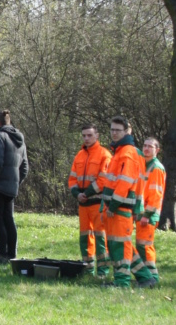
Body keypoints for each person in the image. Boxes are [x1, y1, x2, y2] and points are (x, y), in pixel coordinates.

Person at [98, 116, 152, 288]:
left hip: (120, 208)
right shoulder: (120, 151)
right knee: (123, 244)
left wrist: (113, 205)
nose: (114, 133)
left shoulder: (127, 153)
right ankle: (146, 277)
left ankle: (122, 282)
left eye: (118, 130)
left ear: (127, 131)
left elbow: (125, 183)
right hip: (116, 207)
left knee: (119, 246)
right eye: (112, 129)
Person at [0, 109, 29, 264]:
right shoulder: (19, 138)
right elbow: (25, 167)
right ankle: (12, 254)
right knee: (9, 220)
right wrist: (15, 182)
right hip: (11, 187)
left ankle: (2, 254)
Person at [68, 123, 112, 276]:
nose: (86, 138)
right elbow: (72, 179)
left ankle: (103, 271)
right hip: (83, 204)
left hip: (98, 203)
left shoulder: (104, 155)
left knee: (101, 237)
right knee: (85, 237)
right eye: (84, 135)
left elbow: (103, 180)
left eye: (89, 135)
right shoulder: (79, 155)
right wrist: (77, 194)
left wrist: (86, 193)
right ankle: (88, 270)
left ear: (97, 136)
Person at [134, 137, 166, 283]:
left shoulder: (156, 168)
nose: (146, 149)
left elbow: (156, 194)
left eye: (150, 147)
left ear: (157, 150)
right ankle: (146, 276)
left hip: (149, 214)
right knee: (141, 245)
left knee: (145, 246)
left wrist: (147, 214)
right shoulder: (144, 165)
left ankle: (152, 277)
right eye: (145, 146)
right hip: (142, 213)